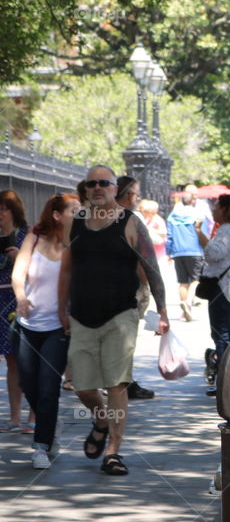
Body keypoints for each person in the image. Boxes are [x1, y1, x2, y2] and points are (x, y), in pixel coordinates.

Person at [58, 165, 169, 476]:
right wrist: (60, 308)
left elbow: (151, 267)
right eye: (91, 183)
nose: (97, 188)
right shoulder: (76, 223)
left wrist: (162, 311)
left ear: (113, 188)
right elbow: (66, 269)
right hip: (80, 314)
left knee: (116, 383)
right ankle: (102, 419)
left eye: (103, 183)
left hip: (121, 314)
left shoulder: (130, 223)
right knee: (82, 385)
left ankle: (113, 452)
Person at [12, 193, 80, 468]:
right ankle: (50, 424)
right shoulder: (35, 236)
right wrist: (20, 296)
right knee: (27, 383)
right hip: (27, 324)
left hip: (58, 326)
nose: (80, 214)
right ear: (56, 214)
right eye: (74, 210)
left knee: (48, 387)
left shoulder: (77, 244)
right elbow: (18, 273)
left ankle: (41, 445)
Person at [197, 193, 230, 395]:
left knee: (221, 335)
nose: (213, 210)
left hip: (224, 288)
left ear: (227, 210)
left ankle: (224, 383)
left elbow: (213, 254)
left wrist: (199, 233)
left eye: (217, 206)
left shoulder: (229, 229)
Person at [115, 176, 155, 401]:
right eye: (136, 194)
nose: (137, 198)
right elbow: (142, 258)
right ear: (129, 195)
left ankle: (122, 379)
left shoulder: (98, 217)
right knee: (127, 337)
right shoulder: (132, 218)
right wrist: (146, 284)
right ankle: (124, 381)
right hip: (131, 287)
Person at [0, 190, 33, 433]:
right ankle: (14, 417)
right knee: (10, 360)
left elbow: (38, 270)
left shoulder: (28, 234)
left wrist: (17, 258)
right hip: (0, 301)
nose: (0, 214)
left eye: (4, 209)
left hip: (20, 299)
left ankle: (33, 416)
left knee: (27, 360)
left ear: (14, 210)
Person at [166, 185, 205, 321]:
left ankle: (184, 311)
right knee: (196, 280)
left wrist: (169, 252)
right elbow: (202, 233)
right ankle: (188, 302)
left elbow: (169, 236)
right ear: (192, 201)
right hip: (195, 251)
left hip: (178, 252)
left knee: (182, 282)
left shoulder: (172, 217)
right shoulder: (197, 215)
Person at [139, 199, 167, 265]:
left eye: (146, 212)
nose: (144, 213)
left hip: (158, 249)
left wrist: (151, 230)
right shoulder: (147, 220)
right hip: (150, 248)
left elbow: (164, 232)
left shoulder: (158, 219)